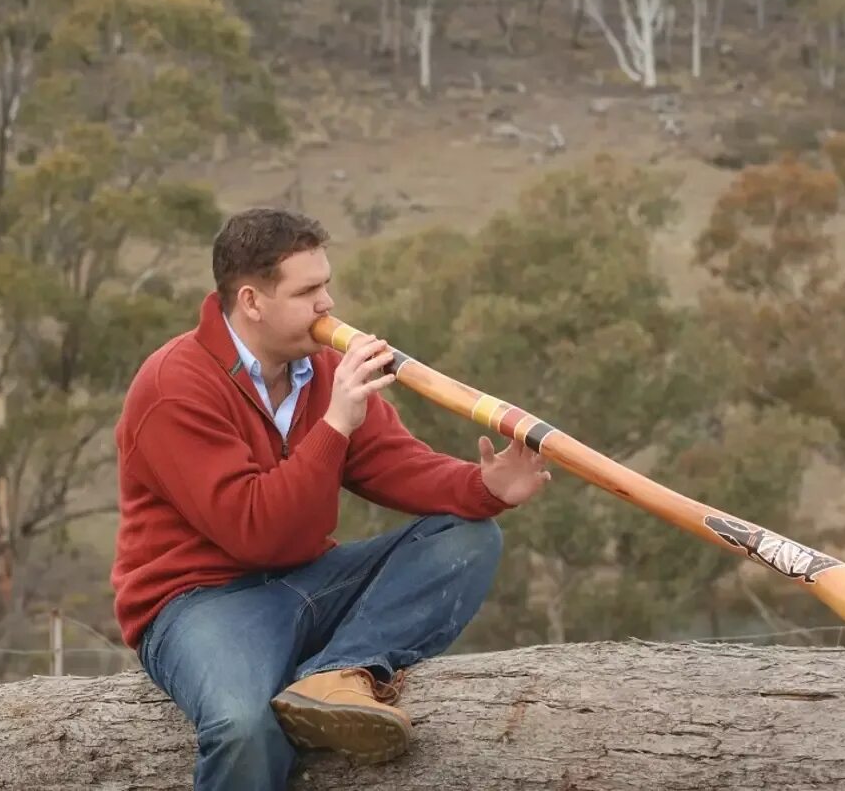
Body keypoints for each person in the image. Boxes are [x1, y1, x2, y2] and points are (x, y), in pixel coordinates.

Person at [111, 207, 551, 791]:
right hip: (199, 603)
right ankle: (317, 684)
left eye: (327, 285)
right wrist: (337, 422)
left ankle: (337, 674)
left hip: (305, 581)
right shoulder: (174, 387)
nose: (327, 305)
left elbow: (393, 461)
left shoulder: (318, 369)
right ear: (252, 301)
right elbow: (256, 531)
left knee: (468, 536)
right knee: (243, 725)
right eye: (309, 291)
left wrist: (485, 488)